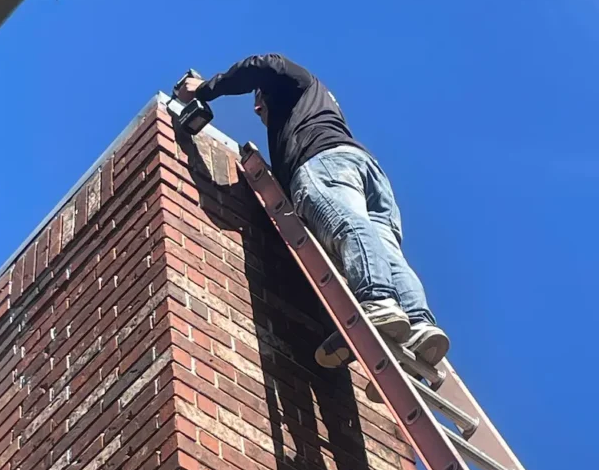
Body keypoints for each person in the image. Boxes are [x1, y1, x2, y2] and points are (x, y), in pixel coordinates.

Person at [176, 54, 449, 369]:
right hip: (364, 169)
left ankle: (376, 300)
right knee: (387, 251)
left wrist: (204, 89)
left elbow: (264, 64)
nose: (257, 109)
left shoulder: (298, 84)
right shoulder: (319, 106)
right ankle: (418, 324)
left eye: (259, 100)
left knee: (346, 226)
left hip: (324, 163)